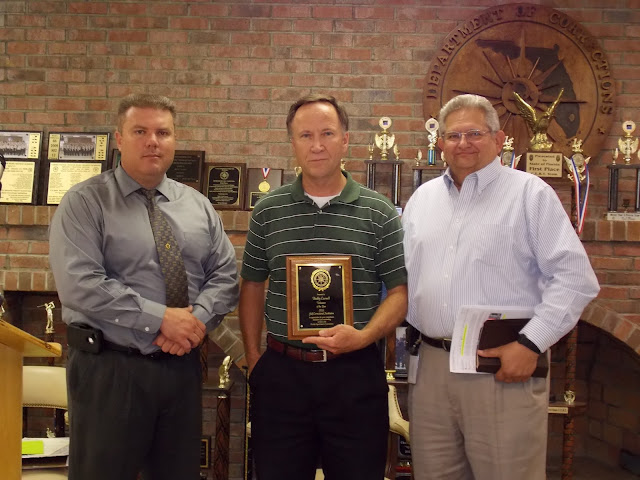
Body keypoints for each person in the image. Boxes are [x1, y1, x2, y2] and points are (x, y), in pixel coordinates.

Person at [402, 94, 600, 480]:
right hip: (430, 369)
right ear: (440, 142)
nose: (463, 143)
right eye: (453, 135)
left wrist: (531, 344)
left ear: (498, 139)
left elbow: (576, 278)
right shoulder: (423, 200)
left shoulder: (530, 195)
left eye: (474, 133)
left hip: (501, 368)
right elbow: (404, 277)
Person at [49, 93, 239, 480]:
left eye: (162, 132)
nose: (153, 141)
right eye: (140, 131)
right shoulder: (85, 203)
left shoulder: (198, 206)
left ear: (174, 140)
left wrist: (194, 323)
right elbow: (80, 284)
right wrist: (162, 319)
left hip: (181, 370)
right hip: (109, 370)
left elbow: (225, 275)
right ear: (120, 139)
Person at [239, 94, 408, 480]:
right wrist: (253, 357)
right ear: (293, 143)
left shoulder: (379, 212)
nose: (317, 145)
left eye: (327, 133)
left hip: (355, 375)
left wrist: (363, 337)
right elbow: (252, 284)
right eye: (306, 135)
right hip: (283, 375)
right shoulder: (268, 211)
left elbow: (399, 294)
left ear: (345, 140)